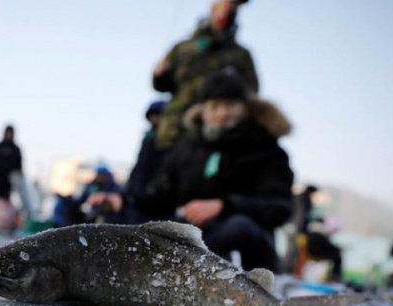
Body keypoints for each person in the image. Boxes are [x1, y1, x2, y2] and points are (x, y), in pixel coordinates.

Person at [89, 73, 293, 271]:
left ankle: (238, 285)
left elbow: (279, 208)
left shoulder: (269, 151)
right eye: (214, 106)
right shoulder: (187, 149)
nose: (222, 113)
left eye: (230, 105)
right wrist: (122, 201)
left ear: (246, 109)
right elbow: (158, 197)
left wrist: (223, 206)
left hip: (244, 242)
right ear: (202, 111)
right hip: (193, 238)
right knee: (122, 218)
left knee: (238, 227)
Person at [152, 0, 258, 150]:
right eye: (222, 6)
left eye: (232, 7)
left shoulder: (241, 55)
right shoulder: (182, 48)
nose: (226, 11)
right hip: (173, 132)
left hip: (216, 137)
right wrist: (159, 76)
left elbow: (251, 91)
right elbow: (162, 85)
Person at [123, 100, 170, 223]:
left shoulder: (168, 139)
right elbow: (139, 166)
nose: (155, 119)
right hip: (139, 198)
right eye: (153, 116)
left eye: (158, 115)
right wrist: (129, 189)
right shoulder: (148, 138)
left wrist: (153, 189)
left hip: (156, 201)